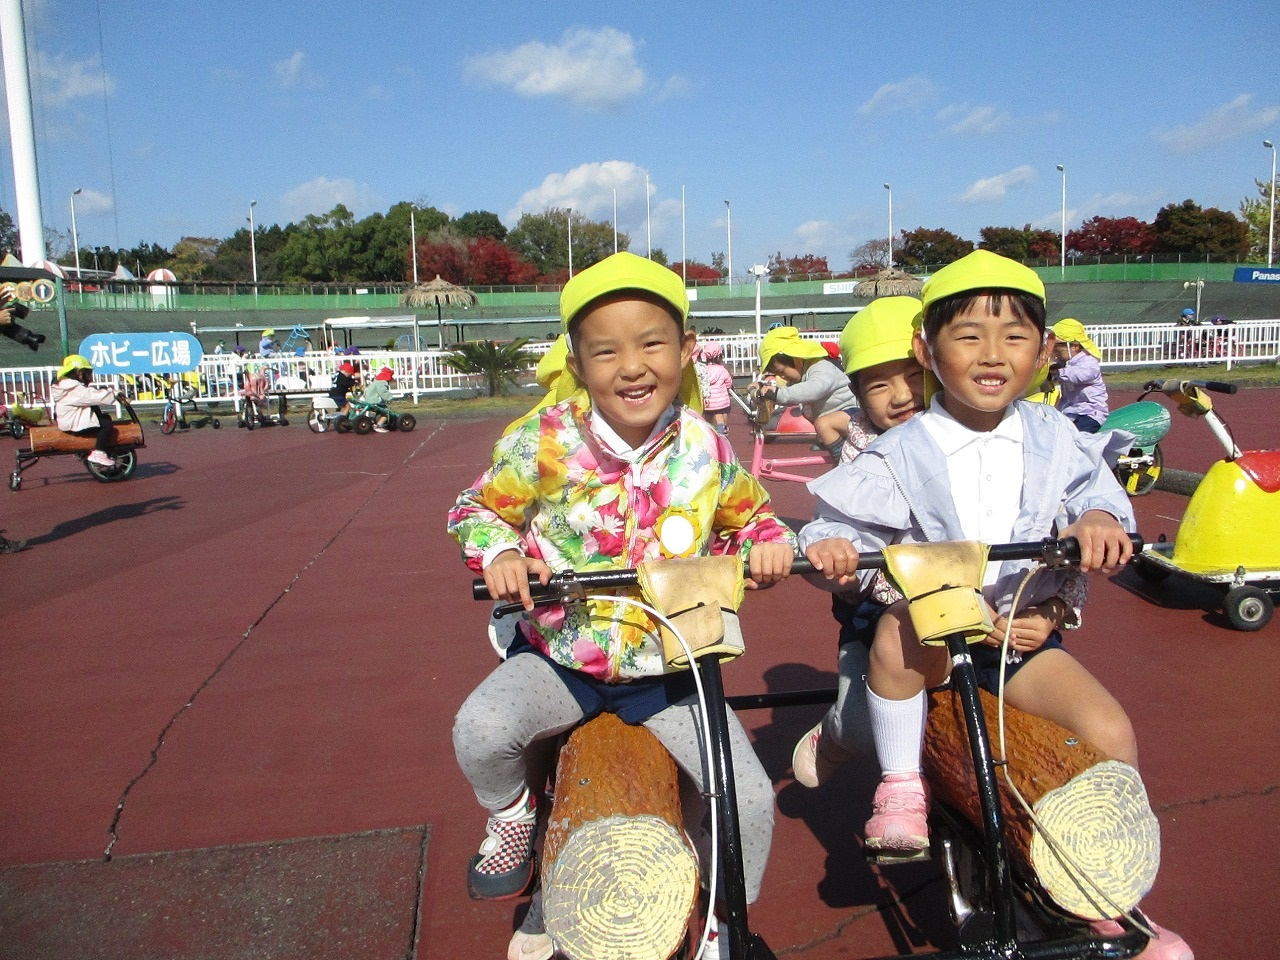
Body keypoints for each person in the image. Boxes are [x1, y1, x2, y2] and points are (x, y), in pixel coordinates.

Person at [799, 250, 1191, 960]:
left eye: (1014, 336)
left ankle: (1113, 883)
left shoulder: (1055, 435)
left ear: (1043, 352)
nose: (992, 354)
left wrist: (1094, 526)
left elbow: (1096, 494)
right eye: (968, 336)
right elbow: (841, 524)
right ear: (927, 349)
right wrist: (831, 547)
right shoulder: (900, 450)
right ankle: (900, 785)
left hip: (1018, 636)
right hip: (934, 640)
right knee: (894, 633)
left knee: (1108, 727)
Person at [448, 251, 795, 960]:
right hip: (564, 655)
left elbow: (753, 517)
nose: (632, 367)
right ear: (576, 363)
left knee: (750, 800)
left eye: (652, 344)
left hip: (675, 664)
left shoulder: (704, 446)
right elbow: (474, 510)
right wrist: (502, 551)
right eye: (605, 352)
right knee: (481, 728)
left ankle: (721, 920)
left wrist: (768, 544)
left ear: (686, 349)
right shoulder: (543, 442)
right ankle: (513, 813)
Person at [792, 295, 927, 788]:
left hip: (964, 602)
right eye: (879, 385)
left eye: (914, 375)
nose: (902, 396)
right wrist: (835, 550)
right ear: (856, 392)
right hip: (878, 609)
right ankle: (834, 736)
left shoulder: (964, 429)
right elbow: (840, 520)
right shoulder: (864, 449)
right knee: (861, 725)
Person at [753, 325, 860, 458]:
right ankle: (832, 442)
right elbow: (790, 395)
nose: (782, 377)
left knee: (823, 424)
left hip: (854, 415)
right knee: (809, 412)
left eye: (781, 371)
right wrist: (766, 391)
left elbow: (814, 389)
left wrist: (778, 394)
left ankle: (844, 460)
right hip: (836, 419)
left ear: (796, 358)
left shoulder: (821, 368)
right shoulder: (801, 376)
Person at [51, 354, 117, 468]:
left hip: (69, 421)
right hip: (73, 424)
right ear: (80, 373)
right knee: (105, 423)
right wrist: (113, 394)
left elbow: (89, 394)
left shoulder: (67, 386)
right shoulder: (73, 389)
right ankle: (99, 453)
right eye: (88, 373)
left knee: (100, 415)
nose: (90, 376)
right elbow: (93, 396)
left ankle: (87, 451)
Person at [1050, 318, 1109, 433]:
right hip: (1070, 411)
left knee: (1077, 436)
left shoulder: (1088, 361)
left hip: (1091, 412)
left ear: (1074, 346)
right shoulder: (1064, 363)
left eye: (1058, 345)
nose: (1055, 350)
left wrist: (1059, 372)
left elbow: (1083, 375)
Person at [694, 341, 734, 435]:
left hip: (708, 402)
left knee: (708, 418)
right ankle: (722, 432)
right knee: (720, 417)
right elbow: (728, 383)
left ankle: (709, 433)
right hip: (721, 401)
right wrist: (727, 387)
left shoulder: (703, 370)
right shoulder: (722, 369)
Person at [361, 366, 395, 432]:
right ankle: (378, 426)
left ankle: (372, 422)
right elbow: (383, 392)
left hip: (368, 399)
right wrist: (390, 398)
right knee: (386, 412)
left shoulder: (376, 381)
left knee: (375, 411)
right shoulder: (382, 382)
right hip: (374, 400)